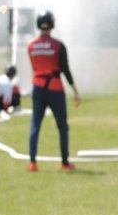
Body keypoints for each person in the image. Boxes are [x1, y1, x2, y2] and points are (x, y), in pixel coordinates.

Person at [26, 10, 80, 172]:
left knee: (35, 125)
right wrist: (75, 90)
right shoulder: (58, 45)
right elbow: (65, 69)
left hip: (37, 88)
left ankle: (32, 163)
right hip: (55, 88)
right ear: (52, 24)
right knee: (62, 126)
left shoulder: (31, 46)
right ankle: (64, 162)